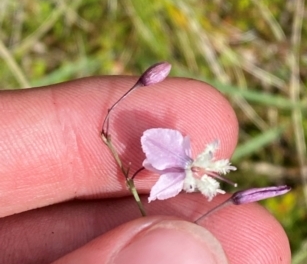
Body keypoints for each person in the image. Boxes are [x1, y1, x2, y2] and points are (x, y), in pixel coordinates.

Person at [0, 75, 290, 263]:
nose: (206, 172)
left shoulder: (171, 183)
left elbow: (157, 187)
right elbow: (152, 147)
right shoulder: (170, 170)